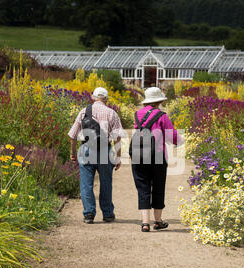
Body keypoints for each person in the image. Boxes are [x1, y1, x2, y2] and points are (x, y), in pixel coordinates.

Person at [68, 87, 124, 224]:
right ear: (106, 99)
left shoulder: (83, 112)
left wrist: (73, 152)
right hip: (105, 150)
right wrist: (117, 157)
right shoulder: (112, 113)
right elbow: (117, 138)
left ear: (93, 97)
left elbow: (73, 135)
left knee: (86, 184)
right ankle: (108, 214)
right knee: (106, 183)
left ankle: (89, 214)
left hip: (86, 149)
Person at [130, 87, 182, 232]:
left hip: (139, 156)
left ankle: (145, 223)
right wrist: (180, 141)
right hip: (157, 156)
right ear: (159, 101)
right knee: (158, 188)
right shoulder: (162, 116)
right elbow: (172, 136)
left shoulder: (137, 114)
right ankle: (158, 221)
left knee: (143, 188)